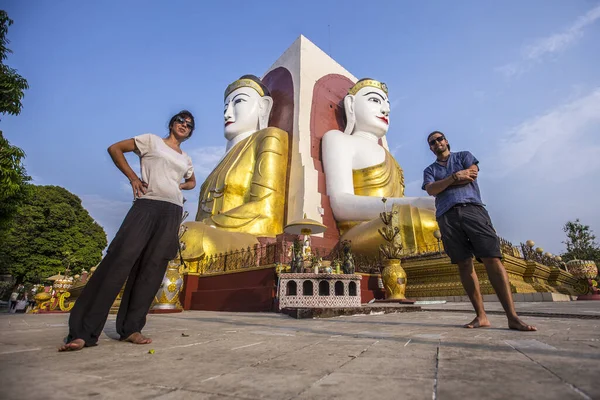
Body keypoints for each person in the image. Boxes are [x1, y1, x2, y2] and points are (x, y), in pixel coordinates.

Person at [59, 110, 196, 351]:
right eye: (180, 121)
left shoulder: (185, 157)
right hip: (147, 205)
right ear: (172, 124)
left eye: (189, 124)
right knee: (119, 260)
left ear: (190, 132)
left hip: (172, 211)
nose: (184, 125)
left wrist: (177, 185)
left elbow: (192, 181)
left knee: (152, 270)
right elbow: (115, 148)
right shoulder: (151, 141)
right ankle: (83, 332)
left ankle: (131, 328)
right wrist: (133, 177)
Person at [422, 131, 536, 331]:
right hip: (446, 216)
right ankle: (481, 316)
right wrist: (455, 177)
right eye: (433, 142)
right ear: (430, 147)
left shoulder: (464, 156)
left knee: (492, 258)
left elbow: (471, 175)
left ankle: (512, 316)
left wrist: (447, 182)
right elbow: (431, 190)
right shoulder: (429, 170)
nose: (437, 143)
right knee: (464, 264)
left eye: (440, 139)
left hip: (472, 209)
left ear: (446, 141)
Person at [322, 78, 438, 256]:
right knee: (418, 221)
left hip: (389, 221)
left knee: (450, 219)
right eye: (375, 100)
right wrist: (417, 203)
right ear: (351, 104)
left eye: (387, 104)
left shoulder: (391, 159)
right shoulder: (339, 139)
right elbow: (340, 204)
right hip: (358, 231)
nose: (386, 109)